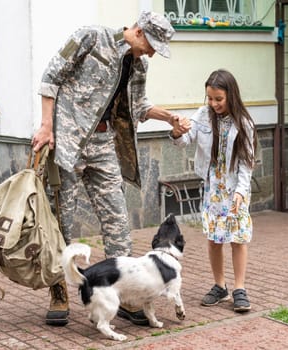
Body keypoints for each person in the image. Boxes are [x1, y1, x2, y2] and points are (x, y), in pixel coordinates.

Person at [31, 11, 189, 327]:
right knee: (61, 223)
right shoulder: (91, 37)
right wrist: (46, 126)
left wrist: (168, 117)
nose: (152, 53)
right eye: (153, 45)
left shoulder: (139, 64)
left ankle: (125, 296)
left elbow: (139, 106)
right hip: (67, 143)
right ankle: (59, 291)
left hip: (104, 145)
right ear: (139, 31)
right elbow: (51, 78)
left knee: (118, 222)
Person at [170, 69, 257, 313]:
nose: (213, 103)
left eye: (218, 98)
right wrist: (177, 131)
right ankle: (220, 286)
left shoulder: (245, 123)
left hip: (235, 188)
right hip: (213, 186)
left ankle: (239, 288)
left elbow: (246, 163)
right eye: (210, 98)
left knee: (238, 238)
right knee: (214, 238)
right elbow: (185, 141)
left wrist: (241, 192)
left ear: (231, 95)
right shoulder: (203, 115)